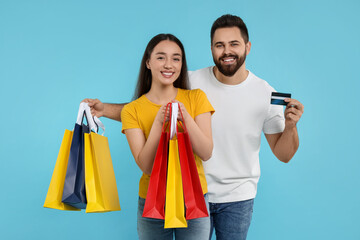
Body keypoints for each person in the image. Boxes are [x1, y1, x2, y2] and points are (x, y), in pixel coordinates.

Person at [83, 14, 304, 240]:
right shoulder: (191, 80)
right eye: (220, 45)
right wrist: (105, 110)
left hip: (237, 197)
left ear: (247, 47)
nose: (227, 51)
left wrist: (290, 126)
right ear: (211, 49)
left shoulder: (266, 93)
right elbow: (146, 108)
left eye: (234, 44)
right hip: (189, 191)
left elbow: (283, 154)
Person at [117, 33, 214, 240]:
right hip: (153, 202)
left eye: (176, 58)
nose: (168, 64)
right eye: (161, 57)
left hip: (193, 200)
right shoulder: (131, 111)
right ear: (148, 63)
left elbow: (206, 152)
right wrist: (158, 124)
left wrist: (185, 117)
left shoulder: (196, 98)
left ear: (181, 64)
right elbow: (147, 166)